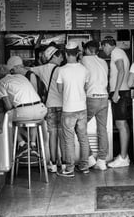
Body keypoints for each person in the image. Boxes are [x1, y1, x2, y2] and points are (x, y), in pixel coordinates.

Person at [0, 56, 48, 156]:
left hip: (25, 112)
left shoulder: (0, 83)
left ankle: (22, 144)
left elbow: (8, 106)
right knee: (32, 118)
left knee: (6, 119)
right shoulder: (21, 77)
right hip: (41, 110)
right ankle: (33, 145)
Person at [56, 41, 90, 178]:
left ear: (65, 54)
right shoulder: (84, 70)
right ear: (78, 53)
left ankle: (70, 169)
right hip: (82, 108)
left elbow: (59, 90)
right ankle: (85, 166)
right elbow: (86, 88)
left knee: (69, 140)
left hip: (68, 109)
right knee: (83, 138)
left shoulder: (62, 70)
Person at [29, 45, 64, 173]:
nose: (62, 58)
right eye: (60, 55)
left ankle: (53, 164)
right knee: (62, 135)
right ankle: (64, 164)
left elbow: (27, 70)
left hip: (49, 105)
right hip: (62, 105)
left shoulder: (41, 69)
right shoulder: (62, 70)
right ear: (53, 56)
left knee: (52, 134)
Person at [101, 36, 131, 168]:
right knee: (123, 124)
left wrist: (117, 91)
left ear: (108, 45)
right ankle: (124, 156)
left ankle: (123, 158)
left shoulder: (116, 52)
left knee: (121, 124)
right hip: (122, 91)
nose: (103, 50)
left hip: (120, 92)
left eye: (103, 47)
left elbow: (121, 70)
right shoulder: (120, 52)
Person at [81, 40, 109, 171]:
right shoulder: (103, 62)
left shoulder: (84, 60)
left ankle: (90, 158)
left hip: (91, 98)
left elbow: (83, 81)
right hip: (104, 97)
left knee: (79, 126)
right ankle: (102, 161)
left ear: (87, 50)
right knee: (102, 129)